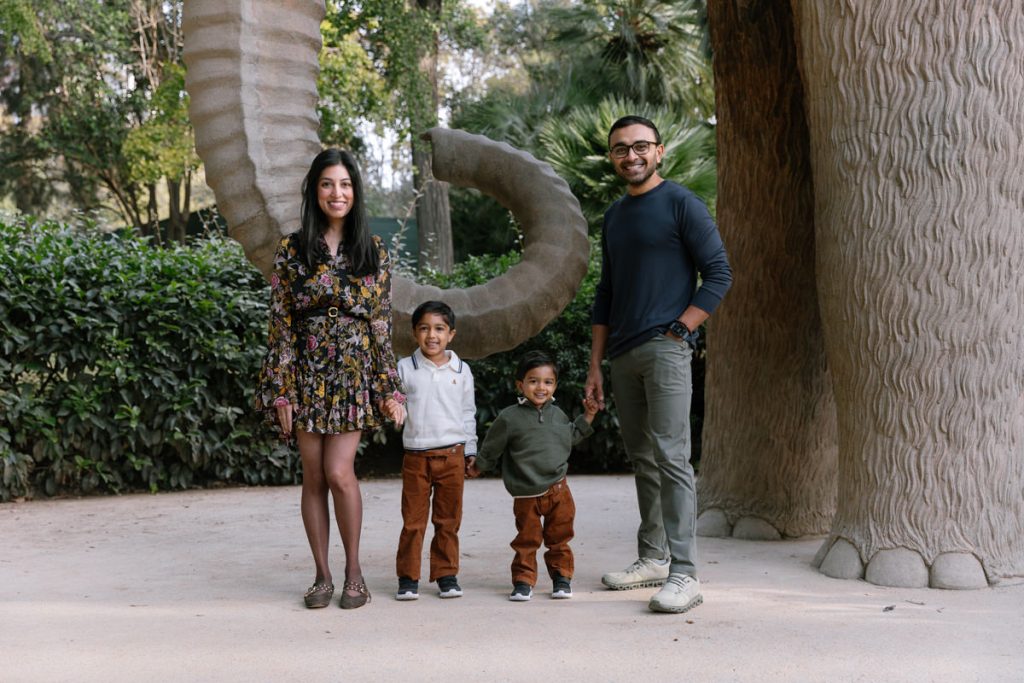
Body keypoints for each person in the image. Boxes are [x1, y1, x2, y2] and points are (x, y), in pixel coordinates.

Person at [585, 115, 732, 614]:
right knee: (644, 460)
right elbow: (606, 293)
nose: (632, 155)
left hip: (666, 348)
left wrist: (682, 328)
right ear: (612, 157)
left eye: (640, 146)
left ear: (659, 151)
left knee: (671, 458)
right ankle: (653, 557)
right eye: (621, 149)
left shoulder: (681, 203)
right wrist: (595, 365)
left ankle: (685, 574)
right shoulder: (614, 216)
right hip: (621, 354)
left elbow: (719, 273)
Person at [255, 148, 406, 610]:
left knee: (340, 472)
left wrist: (389, 388)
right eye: (327, 184)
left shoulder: (373, 250)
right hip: (305, 371)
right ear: (314, 191)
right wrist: (280, 389)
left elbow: (380, 324)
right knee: (314, 476)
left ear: (355, 191)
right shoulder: (292, 249)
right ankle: (321, 575)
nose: (336, 193)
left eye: (344, 184)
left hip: (352, 372)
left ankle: (354, 573)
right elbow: (280, 322)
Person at [467, 351, 600, 602]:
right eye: (533, 381)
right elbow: (492, 447)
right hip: (525, 493)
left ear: (555, 386)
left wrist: (589, 415)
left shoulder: (558, 415)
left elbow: (571, 436)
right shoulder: (509, 418)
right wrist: (479, 466)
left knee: (559, 538)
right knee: (526, 540)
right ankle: (523, 581)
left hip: (558, 491)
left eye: (548, 382)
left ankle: (562, 579)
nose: (541, 387)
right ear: (520, 385)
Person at [393, 300, 477, 601]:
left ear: (451, 334)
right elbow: (396, 400)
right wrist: (394, 408)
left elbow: (468, 412)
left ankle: (446, 575)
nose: (432, 335)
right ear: (414, 332)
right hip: (416, 456)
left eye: (439, 329)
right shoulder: (405, 367)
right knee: (413, 521)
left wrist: (470, 450)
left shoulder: (462, 370)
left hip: (453, 455)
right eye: (424, 328)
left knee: (448, 521)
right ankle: (408, 578)